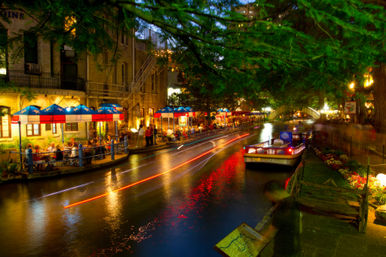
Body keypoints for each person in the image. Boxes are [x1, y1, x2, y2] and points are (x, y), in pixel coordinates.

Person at [263, 181, 302, 257]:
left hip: (283, 251)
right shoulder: (294, 201)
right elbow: (300, 228)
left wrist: (255, 245)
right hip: (295, 247)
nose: (270, 199)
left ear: (273, 193)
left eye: (269, 196)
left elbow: (269, 234)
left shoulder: (281, 212)